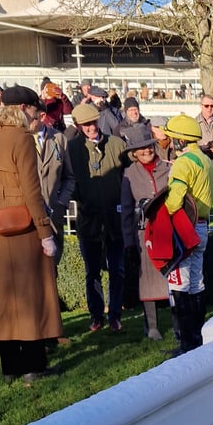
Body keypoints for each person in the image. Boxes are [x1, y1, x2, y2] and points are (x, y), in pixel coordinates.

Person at [0, 85, 63, 383]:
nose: (34, 113)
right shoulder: (22, 138)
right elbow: (32, 190)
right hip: (25, 223)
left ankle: (11, 367)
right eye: (33, 108)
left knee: (6, 296)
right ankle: (33, 366)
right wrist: (45, 232)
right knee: (31, 295)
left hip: (0, 224)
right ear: (23, 109)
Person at [159, 114, 213, 353]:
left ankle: (186, 343)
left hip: (185, 227)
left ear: (181, 141)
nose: (171, 142)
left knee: (180, 284)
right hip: (202, 226)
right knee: (196, 282)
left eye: (173, 138)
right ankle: (196, 338)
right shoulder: (205, 160)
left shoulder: (184, 163)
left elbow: (174, 203)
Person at [67, 102, 128, 332]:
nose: (91, 127)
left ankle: (115, 315)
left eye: (93, 122)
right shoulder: (72, 148)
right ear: (78, 126)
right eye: (86, 124)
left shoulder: (116, 144)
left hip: (115, 218)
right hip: (88, 219)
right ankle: (96, 316)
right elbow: (68, 180)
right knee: (92, 271)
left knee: (117, 270)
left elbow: (127, 176)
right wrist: (81, 198)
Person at [119, 125, 172, 340]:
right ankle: (152, 326)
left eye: (148, 146)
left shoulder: (169, 168)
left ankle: (178, 321)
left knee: (173, 278)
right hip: (143, 234)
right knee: (147, 281)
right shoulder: (129, 175)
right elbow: (126, 211)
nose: (146, 151)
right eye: (140, 149)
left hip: (167, 231)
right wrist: (129, 242)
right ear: (134, 153)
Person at [30, 101, 76, 265]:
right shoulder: (21, 141)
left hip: (53, 217)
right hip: (29, 217)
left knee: (52, 269)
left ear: (42, 116)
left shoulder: (59, 139)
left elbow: (69, 177)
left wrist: (61, 202)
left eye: (29, 119)